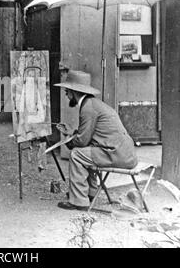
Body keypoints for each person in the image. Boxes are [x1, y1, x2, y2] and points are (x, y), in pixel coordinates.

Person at [54, 70, 137, 210]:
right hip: (124, 153)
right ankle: (90, 193)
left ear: (74, 92)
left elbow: (81, 142)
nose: (66, 96)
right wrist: (71, 132)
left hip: (118, 154)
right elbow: (88, 136)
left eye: (66, 92)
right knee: (87, 152)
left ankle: (78, 201)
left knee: (76, 154)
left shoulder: (88, 108)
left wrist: (68, 140)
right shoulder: (92, 104)